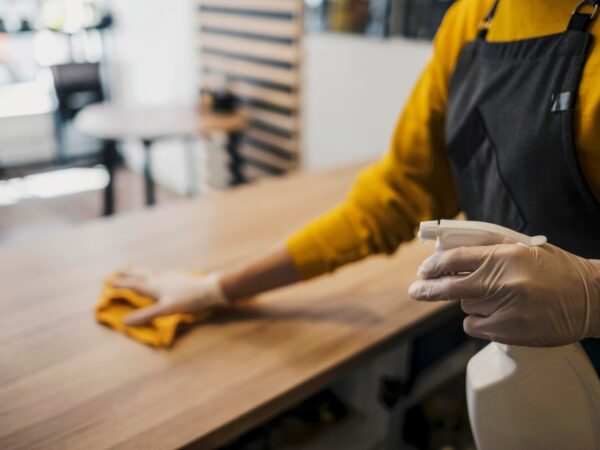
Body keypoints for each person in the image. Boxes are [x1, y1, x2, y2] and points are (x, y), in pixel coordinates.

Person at [115, 0, 600, 357]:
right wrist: (218, 289)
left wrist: (590, 296)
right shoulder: (475, 19)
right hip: (510, 356)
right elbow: (393, 199)